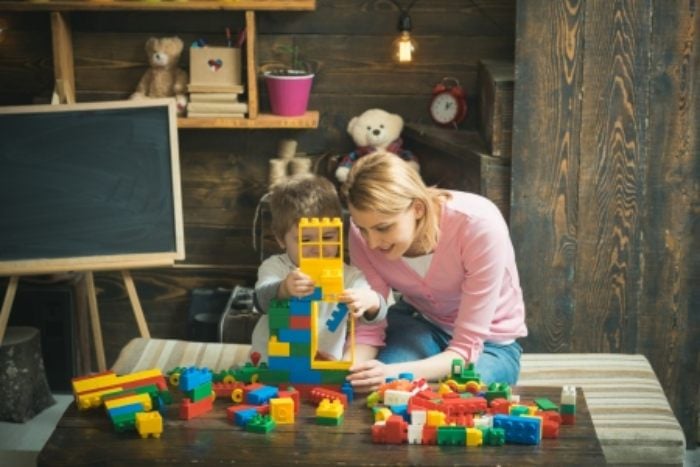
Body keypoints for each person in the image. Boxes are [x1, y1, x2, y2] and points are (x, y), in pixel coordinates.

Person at [340, 151, 527, 392]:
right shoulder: (361, 233)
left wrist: (390, 373)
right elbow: (370, 326)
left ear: (417, 208)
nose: (372, 243)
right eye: (363, 230)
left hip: (491, 343)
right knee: (380, 391)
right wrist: (348, 372)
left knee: (460, 397)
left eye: (383, 228)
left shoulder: (479, 225)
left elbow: (464, 351)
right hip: (420, 324)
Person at [250, 173, 388, 363]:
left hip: (324, 364)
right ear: (281, 239)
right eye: (306, 240)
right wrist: (283, 288)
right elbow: (261, 301)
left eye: (328, 237)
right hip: (271, 362)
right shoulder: (277, 267)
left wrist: (370, 301)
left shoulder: (348, 275)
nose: (317, 248)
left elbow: (378, 312)